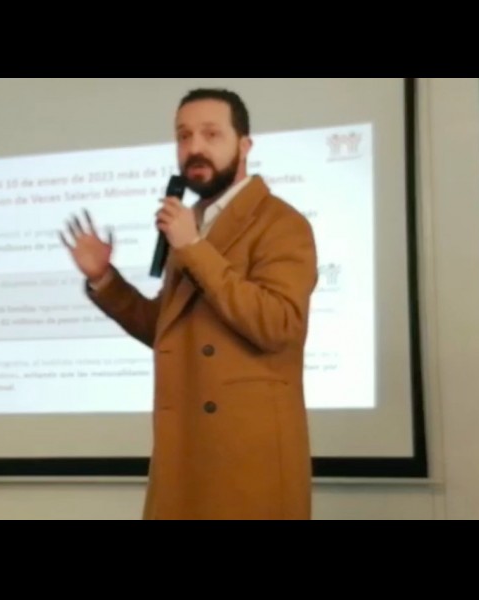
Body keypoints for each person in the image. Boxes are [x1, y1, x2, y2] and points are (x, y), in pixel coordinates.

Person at [59, 88, 318, 519]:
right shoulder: (192, 225)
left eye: (211, 134)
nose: (194, 148)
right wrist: (104, 278)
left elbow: (279, 324)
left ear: (245, 145)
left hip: (248, 464)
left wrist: (194, 248)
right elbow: (168, 329)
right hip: (184, 453)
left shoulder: (280, 223)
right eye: (183, 136)